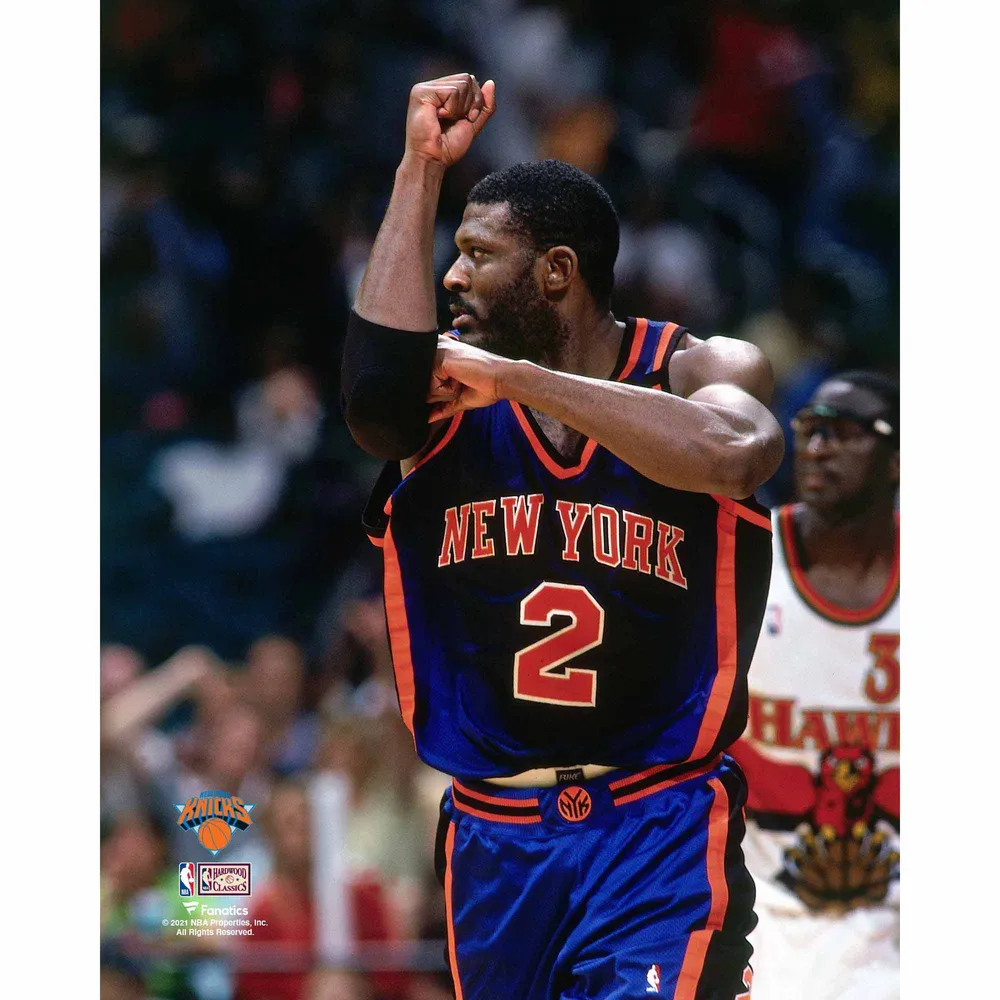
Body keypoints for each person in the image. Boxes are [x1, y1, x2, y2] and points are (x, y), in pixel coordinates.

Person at [340, 73, 784, 999]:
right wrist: (420, 165)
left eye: (475, 254)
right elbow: (373, 400)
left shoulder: (697, 365)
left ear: (556, 273)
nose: (452, 276)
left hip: (654, 826)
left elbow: (738, 453)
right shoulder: (444, 398)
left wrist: (521, 381)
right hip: (494, 837)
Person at [729, 371, 899, 1000]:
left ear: (899, 461)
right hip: (758, 904)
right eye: (810, 429)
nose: (820, 446)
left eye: (847, 432)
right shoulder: (747, 556)